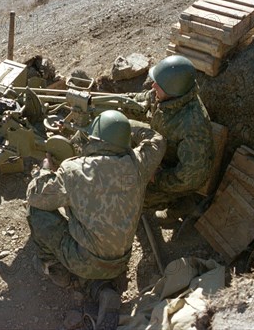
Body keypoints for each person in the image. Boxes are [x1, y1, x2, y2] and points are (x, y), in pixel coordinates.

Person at [26, 110, 166, 325]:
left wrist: (45, 170)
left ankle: (55, 268)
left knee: (37, 211)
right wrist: (124, 126)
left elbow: (36, 196)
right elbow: (156, 138)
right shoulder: (139, 164)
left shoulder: (72, 171)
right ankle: (101, 287)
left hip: (85, 261)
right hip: (120, 261)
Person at [128, 55, 214, 221]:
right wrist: (113, 103)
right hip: (163, 147)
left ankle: (182, 204)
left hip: (178, 174)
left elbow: (189, 178)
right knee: (126, 127)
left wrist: (157, 178)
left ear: (173, 90)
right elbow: (139, 102)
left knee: (134, 193)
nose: (153, 86)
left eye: (158, 85)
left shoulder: (193, 129)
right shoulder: (166, 94)